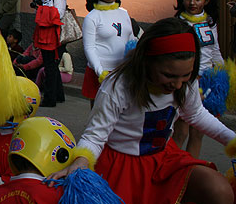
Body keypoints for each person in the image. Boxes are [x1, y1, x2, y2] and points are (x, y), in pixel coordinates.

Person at [47, 17, 236, 204]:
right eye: (169, 75)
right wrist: (81, 161)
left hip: (164, 160)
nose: (178, 84)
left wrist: (232, 140)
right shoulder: (118, 86)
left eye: (185, 75)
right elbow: (95, 136)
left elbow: (195, 114)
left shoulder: (185, 82)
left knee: (219, 190)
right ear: (147, 62)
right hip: (121, 168)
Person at [172, 0, 223, 158]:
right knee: (181, 131)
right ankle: (171, 168)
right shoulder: (178, 23)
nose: (192, 3)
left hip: (207, 81)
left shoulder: (210, 21)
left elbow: (214, 50)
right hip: (186, 81)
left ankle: (190, 169)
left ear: (206, 0)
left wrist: (223, 73)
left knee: (198, 132)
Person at [81, 0, 134, 105]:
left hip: (122, 71)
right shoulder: (92, 17)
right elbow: (89, 48)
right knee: (99, 114)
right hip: (101, 72)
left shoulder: (124, 13)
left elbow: (131, 40)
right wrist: (101, 72)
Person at [32, 0, 67, 107]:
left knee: (50, 67)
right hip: (44, 35)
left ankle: (49, 98)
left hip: (53, 36)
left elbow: (59, 14)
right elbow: (38, 15)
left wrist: (41, 9)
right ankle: (58, 95)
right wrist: (39, 8)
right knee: (51, 66)